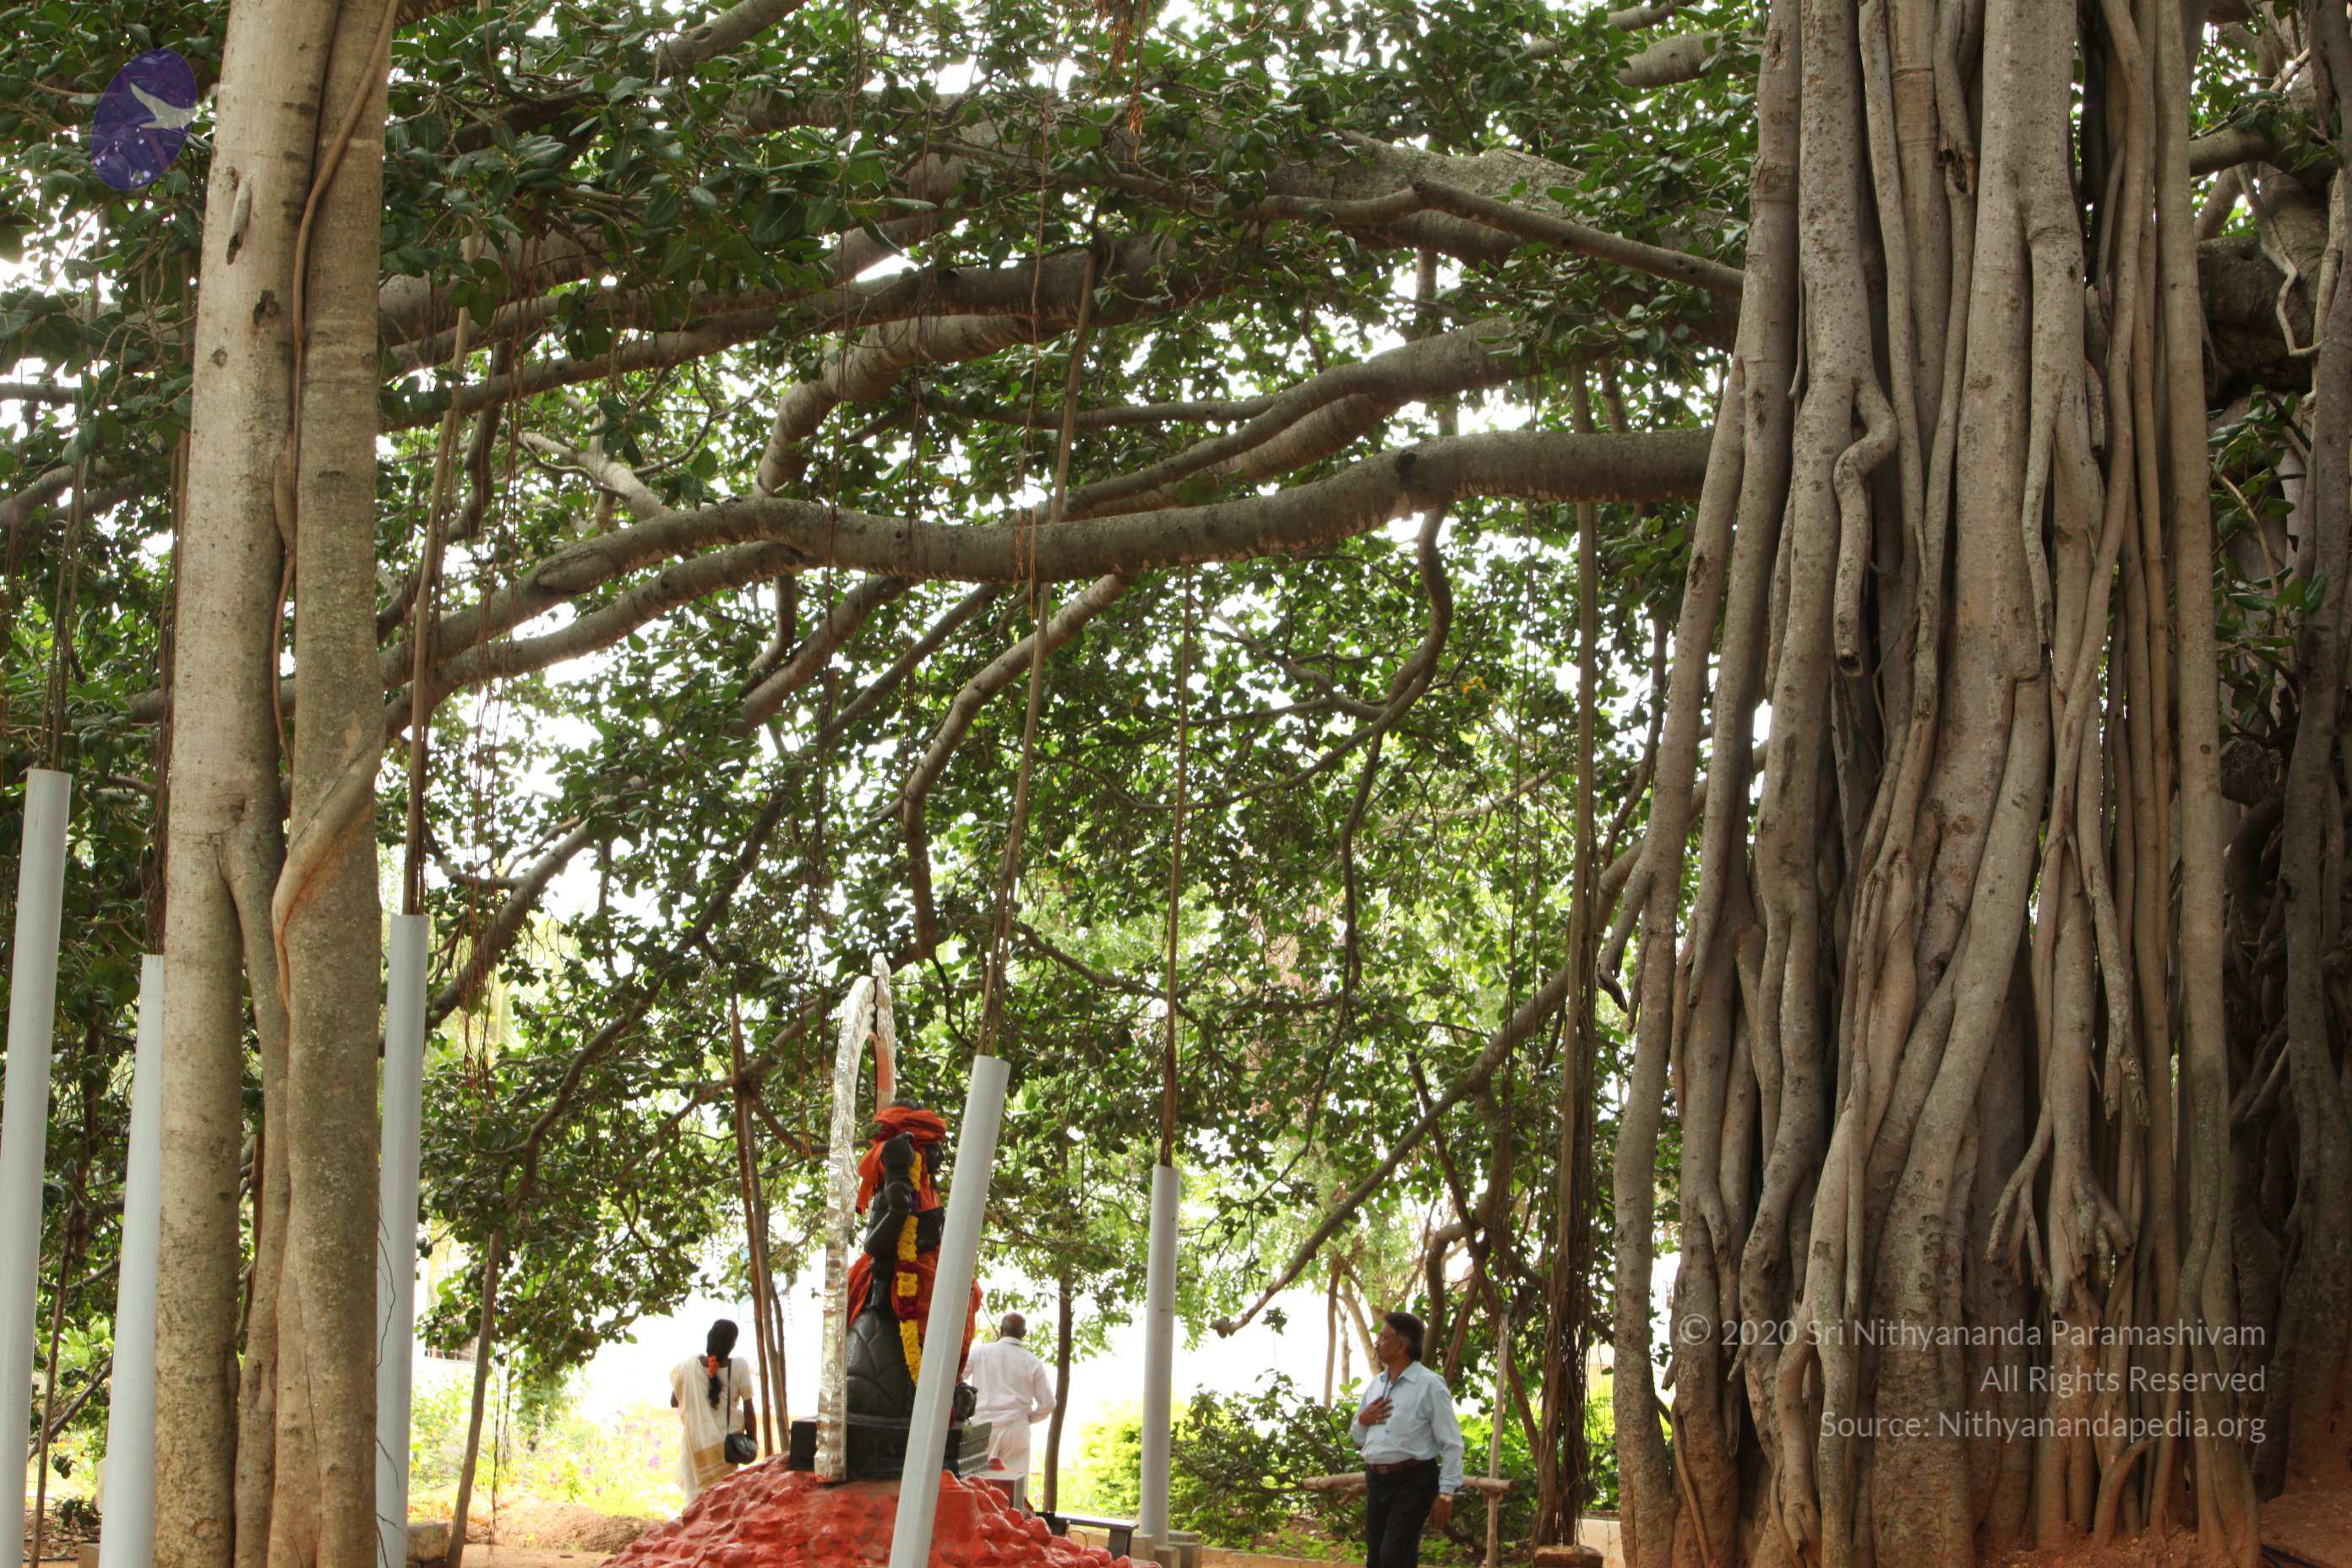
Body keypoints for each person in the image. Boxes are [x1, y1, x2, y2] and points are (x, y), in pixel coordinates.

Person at [1349, 1310, 1463, 1568]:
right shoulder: (1376, 1385)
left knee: (1393, 1556)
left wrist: (1446, 1495)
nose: (1377, 1342)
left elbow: (1452, 1444)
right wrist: (1363, 1421)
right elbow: (1358, 1437)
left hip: (1413, 1481)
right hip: (1377, 1479)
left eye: (1383, 1337)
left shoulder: (1430, 1385)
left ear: (1401, 1346)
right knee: (1376, 1558)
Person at [965, 1312, 1058, 1512]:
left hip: (982, 1429)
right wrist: (1029, 1419)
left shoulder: (980, 1353)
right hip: (1017, 1429)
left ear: (1001, 1330)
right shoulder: (1032, 1361)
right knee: (1013, 1494)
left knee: (977, 1487)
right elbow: (1049, 1404)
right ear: (1024, 1333)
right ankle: (1012, 1525)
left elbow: (957, 1377)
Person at [668, 1318, 757, 1503]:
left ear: (709, 1339)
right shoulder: (739, 1366)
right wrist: (752, 1439)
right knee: (722, 1503)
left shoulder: (689, 1366)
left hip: (695, 1446)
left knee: (694, 1504)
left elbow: (674, 1401)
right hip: (725, 1449)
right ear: (732, 1344)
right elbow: (749, 1408)